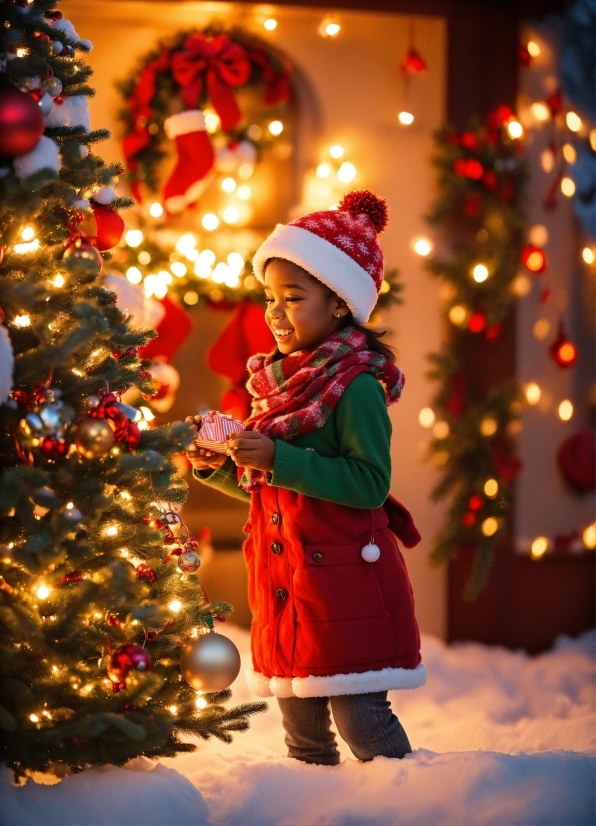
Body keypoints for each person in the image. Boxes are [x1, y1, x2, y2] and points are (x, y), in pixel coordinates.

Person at [186, 190, 426, 765]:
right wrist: (221, 466)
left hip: (344, 584)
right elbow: (270, 485)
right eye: (270, 297)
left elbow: (368, 483)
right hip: (287, 583)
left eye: (292, 297)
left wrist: (275, 458)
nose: (273, 312)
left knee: (361, 719)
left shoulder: (357, 385)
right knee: (302, 732)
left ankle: (415, 802)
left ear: (340, 304)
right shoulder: (276, 385)